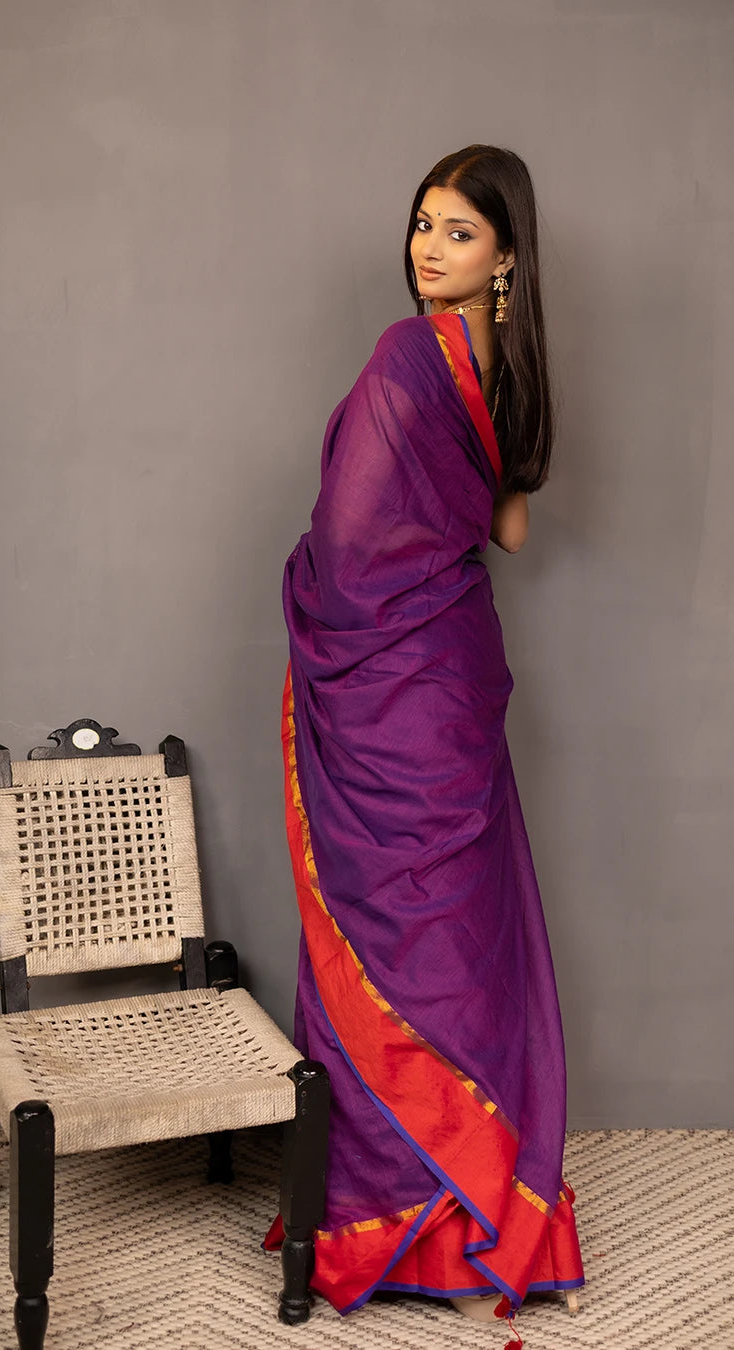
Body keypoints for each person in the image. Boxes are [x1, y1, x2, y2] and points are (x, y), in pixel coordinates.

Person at [265, 145, 585, 1334]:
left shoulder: (409, 353)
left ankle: (389, 1213)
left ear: (506, 254)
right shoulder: (517, 370)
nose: (428, 249)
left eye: (457, 232)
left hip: (391, 686)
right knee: (454, 930)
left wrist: (308, 590)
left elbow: (348, 553)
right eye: (422, 224)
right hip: (455, 673)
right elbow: (505, 534)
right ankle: (475, 1206)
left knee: (387, 934)